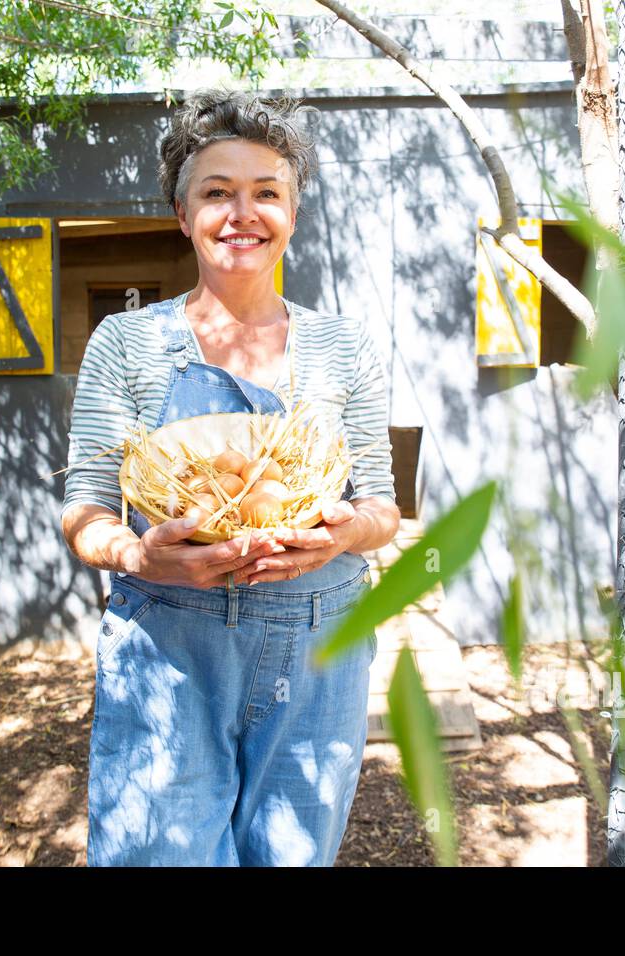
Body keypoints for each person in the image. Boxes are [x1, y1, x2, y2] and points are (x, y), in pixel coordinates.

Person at [60, 87, 400, 866]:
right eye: (217, 193)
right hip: (169, 641)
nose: (242, 213)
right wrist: (136, 554)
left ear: (293, 211)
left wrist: (345, 534)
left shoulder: (344, 346)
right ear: (184, 216)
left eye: (266, 193)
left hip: (318, 644)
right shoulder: (127, 342)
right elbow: (84, 505)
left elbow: (381, 503)